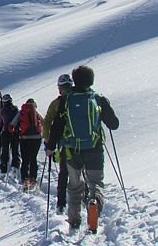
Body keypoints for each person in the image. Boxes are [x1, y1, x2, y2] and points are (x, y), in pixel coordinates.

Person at [46, 65, 120, 232]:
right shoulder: (98, 99)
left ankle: (74, 220)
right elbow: (114, 125)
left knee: (74, 186)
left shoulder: (66, 100)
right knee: (96, 183)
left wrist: (51, 147)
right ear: (91, 80)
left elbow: (57, 126)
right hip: (94, 148)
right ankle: (94, 202)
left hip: (73, 150)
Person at [43, 74, 74, 214]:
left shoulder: (56, 103)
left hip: (64, 144)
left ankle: (61, 204)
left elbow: (49, 122)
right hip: (83, 145)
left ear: (60, 87)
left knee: (63, 174)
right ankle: (86, 198)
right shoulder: (80, 99)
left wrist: (48, 140)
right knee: (81, 173)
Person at [17, 98, 43, 192]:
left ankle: (25, 180)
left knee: (25, 159)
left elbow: (12, 124)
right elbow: (44, 123)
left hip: (24, 138)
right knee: (33, 158)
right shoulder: (37, 114)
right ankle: (33, 179)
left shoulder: (21, 112)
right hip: (36, 138)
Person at [0, 94, 20, 178]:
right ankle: (15, 168)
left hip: (5, 133)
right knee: (15, 150)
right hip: (15, 132)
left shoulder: (2, 111)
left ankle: (3, 170)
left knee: (5, 151)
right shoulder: (16, 109)